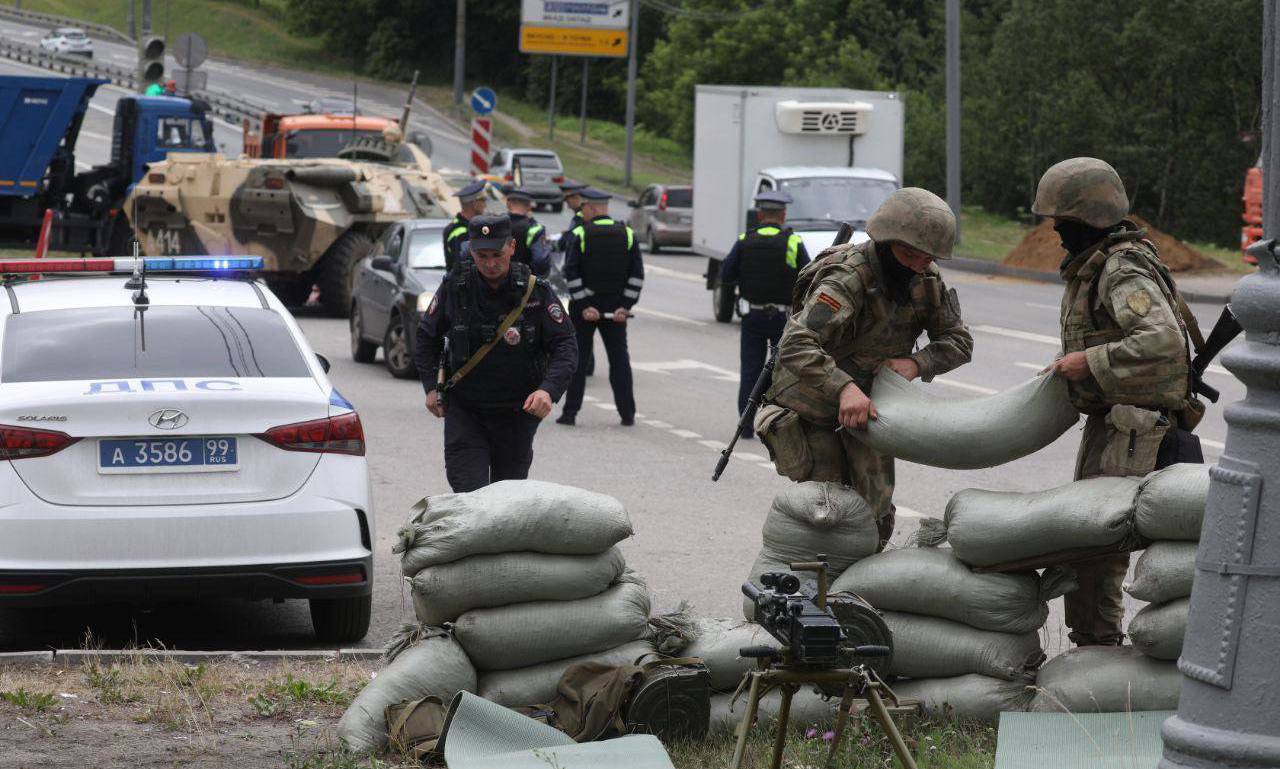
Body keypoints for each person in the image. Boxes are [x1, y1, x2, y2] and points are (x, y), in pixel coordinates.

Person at [1033, 156, 1201, 647]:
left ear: (1086, 218)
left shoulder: (1121, 267)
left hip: (1134, 431)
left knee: (1099, 544)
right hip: (1119, 424)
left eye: (1063, 222)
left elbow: (1162, 341)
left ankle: (1100, 644)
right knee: (1090, 541)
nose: (1058, 232)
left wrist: (1089, 361)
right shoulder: (1102, 262)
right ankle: (1095, 640)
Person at [757, 187, 973, 549]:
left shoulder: (926, 281)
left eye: (928, 258)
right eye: (911, 256)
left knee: (876, 513)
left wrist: (916, 363)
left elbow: (959, 342)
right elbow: (796, 344)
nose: (920, 265)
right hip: (815, 407)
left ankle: (856, 594)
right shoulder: (847, 279)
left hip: (870, 409)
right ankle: (813, 595)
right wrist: (843, 388)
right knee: (828, 512)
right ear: (887, 244)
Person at [414, 214, 577, 492]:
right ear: (471, 250)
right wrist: (431, 387)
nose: (490, 264)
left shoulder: (535, 292)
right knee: (470, 495)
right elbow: (426, 336)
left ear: (512, 247)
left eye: (497, 254)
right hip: (466, 411)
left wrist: (548, 391)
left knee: (506, 502)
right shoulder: (456, 286)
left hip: (516, 414)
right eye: (482, 255)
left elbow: (566, 345)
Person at [720, 190, 811, 438]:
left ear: (760, 214)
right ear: (783, 214)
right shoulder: (793, 242)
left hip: (752, 317)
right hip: (782, 319)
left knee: (750, 370)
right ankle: (778, 425)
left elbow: (726, 276)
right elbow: (809, 277)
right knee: (782, 372)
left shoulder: (744, 240)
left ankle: (746, 427)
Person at [557, 187, 643, 426]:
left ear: (592, 208)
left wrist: (584, 305)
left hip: (585, 310)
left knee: (578, 361)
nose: (582, 211)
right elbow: (636, 276)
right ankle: (628, 414)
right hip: (616, 311)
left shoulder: (581, 234)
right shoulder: (627, 234)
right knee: (619, 361)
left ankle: (569, 414)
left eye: (583, 207)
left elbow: (570, 273)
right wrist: (625, 306)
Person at [503, 186, 551, 276]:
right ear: (529, 206)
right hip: (523, 281)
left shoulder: (497, 223)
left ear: (508, 204)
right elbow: (540, 260)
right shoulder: (535, 228)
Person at [444, 180, 488, 273]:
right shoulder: (460, 232)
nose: (485, 205)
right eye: (483, 201)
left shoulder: (470, 227)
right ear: (475, 204)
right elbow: (463, 265)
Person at [556, 180, 588, 254]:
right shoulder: (584, 215)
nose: (568, 207)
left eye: (568, 201)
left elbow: (570, 240)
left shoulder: (580, 217)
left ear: (576, 198)